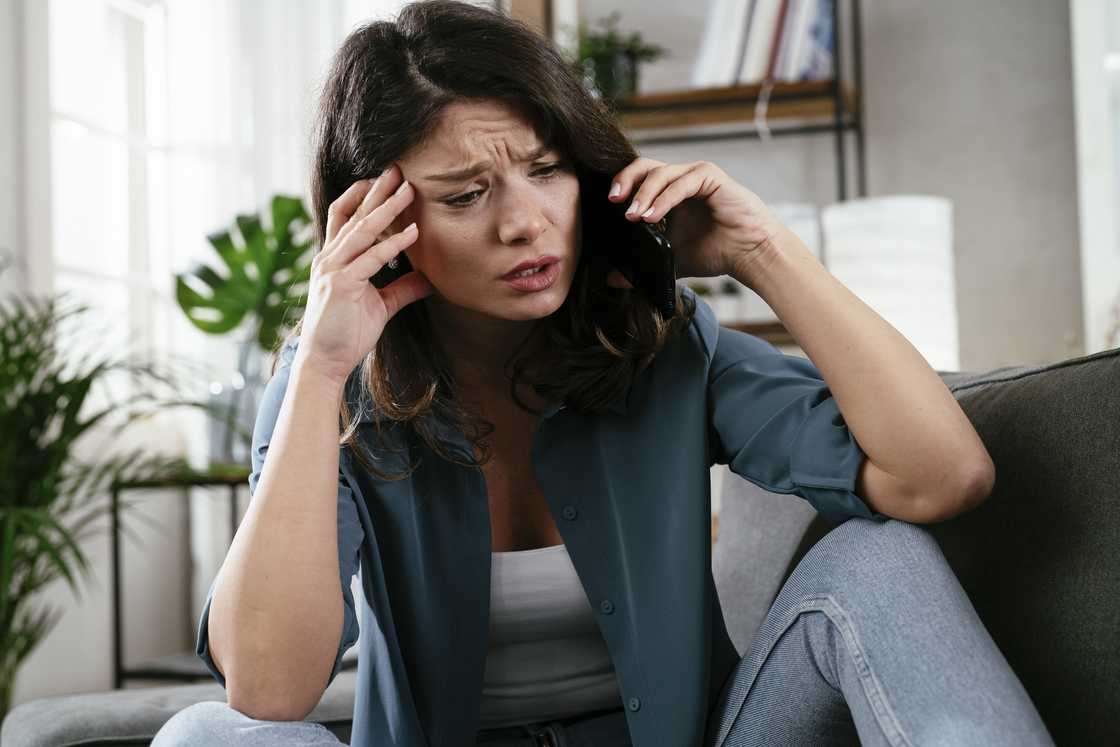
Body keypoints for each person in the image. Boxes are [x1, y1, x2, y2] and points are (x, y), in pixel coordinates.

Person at [153, 2, 1056, 745]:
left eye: (546, 170)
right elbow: (266, 689)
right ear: (378, 224)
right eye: (466, 195)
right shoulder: (335, 389)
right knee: (207, 735)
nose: (526, 222)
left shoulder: (663, 343)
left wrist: (763, 252)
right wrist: (319, 371)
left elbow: (944, 476)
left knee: (879, 556)